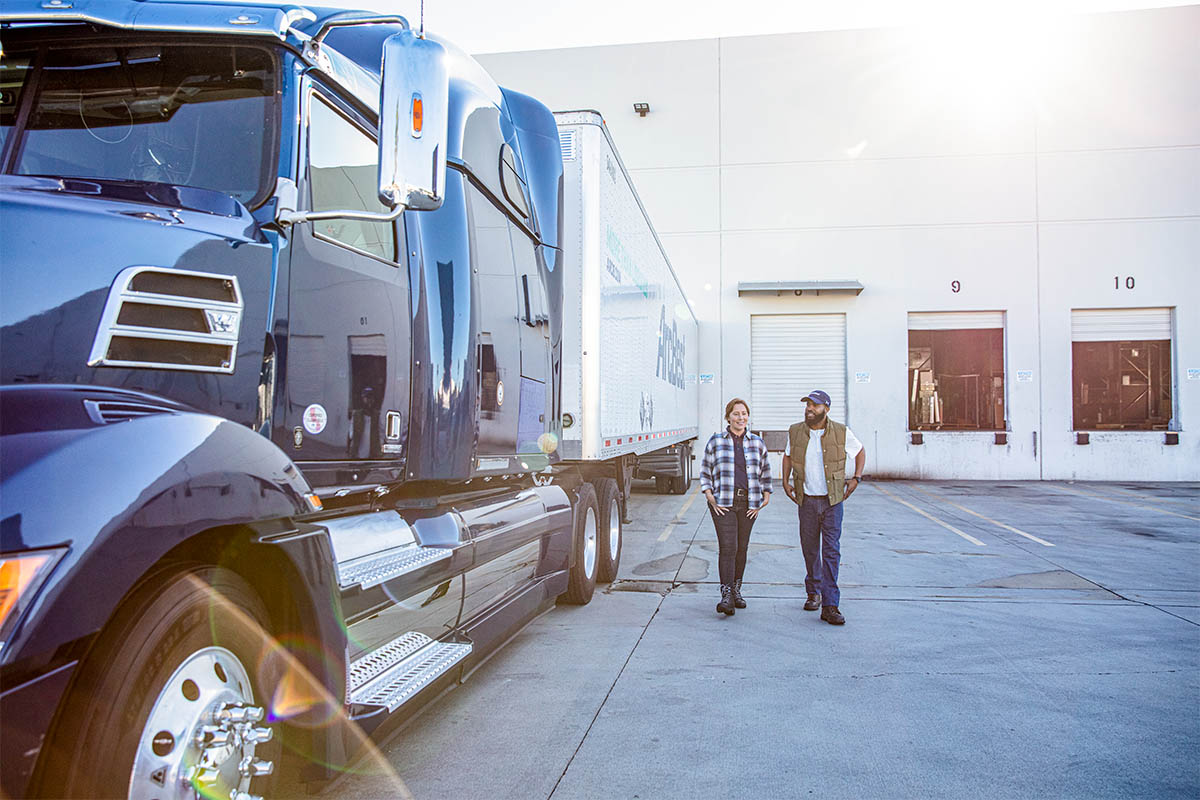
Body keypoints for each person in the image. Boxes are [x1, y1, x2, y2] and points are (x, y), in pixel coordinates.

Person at [781, 390, 866, 625]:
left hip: (832, 501)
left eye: (815, 405)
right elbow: (787, 456)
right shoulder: (796, 431)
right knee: (810, 549)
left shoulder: (841, 431)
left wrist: (856, 477)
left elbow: (859, 451)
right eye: (808, 404)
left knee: (831, 551)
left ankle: (830, 604)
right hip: (807, 500)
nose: (809, 408)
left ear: (826, 409)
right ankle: (813, 591)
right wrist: (785, 481)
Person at [699, 398, 772, 616]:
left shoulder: (756, 442)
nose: (741, 418)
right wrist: (709, 495)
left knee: (742, 548)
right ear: (728, 417)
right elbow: (705, 469)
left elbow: (765, 470)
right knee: (728, 547)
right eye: (736, 413)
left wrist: (765, 496)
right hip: (723, 503)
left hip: (749, 503)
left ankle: (736, 590)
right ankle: (726, 596)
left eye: (744, 413)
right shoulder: (716, 441)